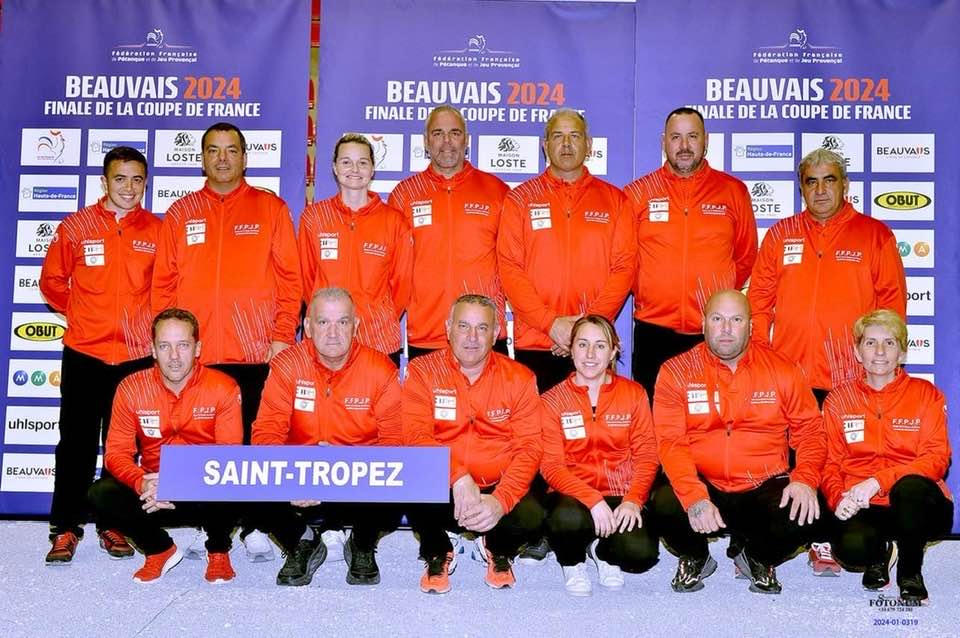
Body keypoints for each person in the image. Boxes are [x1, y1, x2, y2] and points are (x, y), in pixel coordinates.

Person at [152, 121, 301, 560]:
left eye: (231, 150)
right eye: (213, 150)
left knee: (255, 444)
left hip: (255, 351)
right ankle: (210, 522)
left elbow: (291, 280)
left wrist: (279, 335)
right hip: (195, 356)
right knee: (201, 442)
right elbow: (163, 285)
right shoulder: (181, 212)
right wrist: (170, 344)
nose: (222, 158)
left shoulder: (270, 208)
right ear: (202, 158)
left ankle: (255, 524)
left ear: (243, 157)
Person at [650, 290, 825, 594]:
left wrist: (805, 479)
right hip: (703, 484)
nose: (726, 329)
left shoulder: (783, 369)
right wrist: (694, 497)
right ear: (703, 323)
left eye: (736, 319)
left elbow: (811, 431)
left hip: (763, 484)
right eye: (717, 319)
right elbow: (670, 441)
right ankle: (696, 556)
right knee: (663, 503)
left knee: (808, 508)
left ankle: (756, 557)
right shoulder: (675, 371)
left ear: (751, 326)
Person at [40, 146, 162, 564]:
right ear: (104, 181)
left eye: (137, 180)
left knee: (123, 446)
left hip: (135, 356)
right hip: (85, 352)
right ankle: (66, 527)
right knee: (74, 443)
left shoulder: (158, 230)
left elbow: (166, 289)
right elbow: (52, 280)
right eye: (120, 179)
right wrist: (84, 315)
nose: (128, 188)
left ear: (145, 183)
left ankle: (114, 522)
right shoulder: (76, 225)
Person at [252, 288, 403, 587]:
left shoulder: (380, 369)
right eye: (323, 323)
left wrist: (342, 467)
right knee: (252, 479)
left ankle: (361, 542)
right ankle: (302, 541)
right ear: (307, 327)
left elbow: (396, 442)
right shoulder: (286, 366)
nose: (333, 333)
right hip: (301, 478)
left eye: (343, 322)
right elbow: (266, 433)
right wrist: (296, 471)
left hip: (359, 480)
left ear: (356, 326)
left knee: (398, 481)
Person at [87, 309, 243, 583]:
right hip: (153, 495)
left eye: (183, 345)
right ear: (152, 349)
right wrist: (142, 483)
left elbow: (228, 455)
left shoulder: (223, 387)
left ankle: (218, 549)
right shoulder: (131, 387)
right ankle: (159, 549)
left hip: (204, 489)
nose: (174, 356)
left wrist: (177, 481)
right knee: (101, 492)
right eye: (164, 346)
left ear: (197, 348)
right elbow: (116, 453)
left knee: (234, 478)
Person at [403, 294, 543, 593]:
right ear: (448, 328)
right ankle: (438, 548)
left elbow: (529, 448)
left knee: (536, 511)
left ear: (496, 333)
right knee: (411, 478)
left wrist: (501, 500)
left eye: (482, 328)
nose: (472, 337)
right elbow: (414, 435)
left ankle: (496, 546)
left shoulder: (520, 378)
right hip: (446, 483)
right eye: (463, 326)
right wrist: (457, 475)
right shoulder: (423, 371)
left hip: (497, 483)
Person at [747, 148, 906, 405]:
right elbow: (758, 302)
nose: (820, 190)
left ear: (845, 184)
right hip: (789, 379)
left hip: (852, 379)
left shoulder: (875, 235)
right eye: (812, 181)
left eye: (829, 180)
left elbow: (892, 310)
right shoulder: (780, 233)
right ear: (802, 188)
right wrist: (761, 356)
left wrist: (880, 366)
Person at [624, 107, 757, 404]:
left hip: (713, 332)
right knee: (654, 427)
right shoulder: (638, 193)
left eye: (692, 136)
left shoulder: (732, 191)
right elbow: (623, 260)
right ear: (663, 142)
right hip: (653, 332)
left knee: (715, 421)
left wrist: (716, 300)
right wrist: (649, 291)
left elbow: (746, 256)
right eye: (676, 137)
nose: (684, 146)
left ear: (706, 140)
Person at [498, 108, 635, 394]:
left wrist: (584, 331)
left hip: (594, 346)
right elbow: (510, 268)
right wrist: (551, 325)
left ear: (589, 145)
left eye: (575, 136)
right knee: (538, 434)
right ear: (545, 146)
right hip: (537, 340)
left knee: (594, 434)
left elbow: (625, 268)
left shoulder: (616, 200)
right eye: (558, 136)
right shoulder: (519, 199)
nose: (567, 144)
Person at [821, 310, 953, 602]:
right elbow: (830, 462)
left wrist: (877, 481)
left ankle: (910, 571)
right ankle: (879, 554)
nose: (879, 352)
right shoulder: (838, 399)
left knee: (910, 485)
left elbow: (936, 459)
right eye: (870, 343)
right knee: (850, 548)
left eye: (890, 343)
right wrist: (837, 498)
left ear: (903, 353)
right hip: (865, 504)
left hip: (918, 505)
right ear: (857, 351)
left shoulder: (926, 395)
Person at [540, 315, 659, 596]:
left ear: (614, 351)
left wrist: (633, 500)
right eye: (582, 345)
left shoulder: (634, 393)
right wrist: (593, 501)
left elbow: (647, 455)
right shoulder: (551, 400)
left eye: (600, 346)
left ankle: (602, 552)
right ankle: (573, 561)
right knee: (566, 519)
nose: (590, 355)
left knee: (640, 552)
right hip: (573, 495)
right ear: (570, 349)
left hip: (620, 492)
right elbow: (551, 466)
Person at [388, 105, 511, 359]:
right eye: (437, 133)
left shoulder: (497, 191)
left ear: (466, 140)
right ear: (425, 141)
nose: (446, 141)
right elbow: (391, 270)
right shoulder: (404, 195)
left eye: (455, 133)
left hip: (483, 334)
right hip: (427, 333)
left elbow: (515, 265)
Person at [299, 134, 413, 365]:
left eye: (362, 162)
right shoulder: (314, 217)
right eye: (346, 162)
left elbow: (402, 285)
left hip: (377, 340)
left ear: (372, 169)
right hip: (326, 341)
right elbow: (305, 279)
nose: (355, 169)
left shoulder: (394, 221)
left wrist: (376, 314)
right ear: (334, 167)